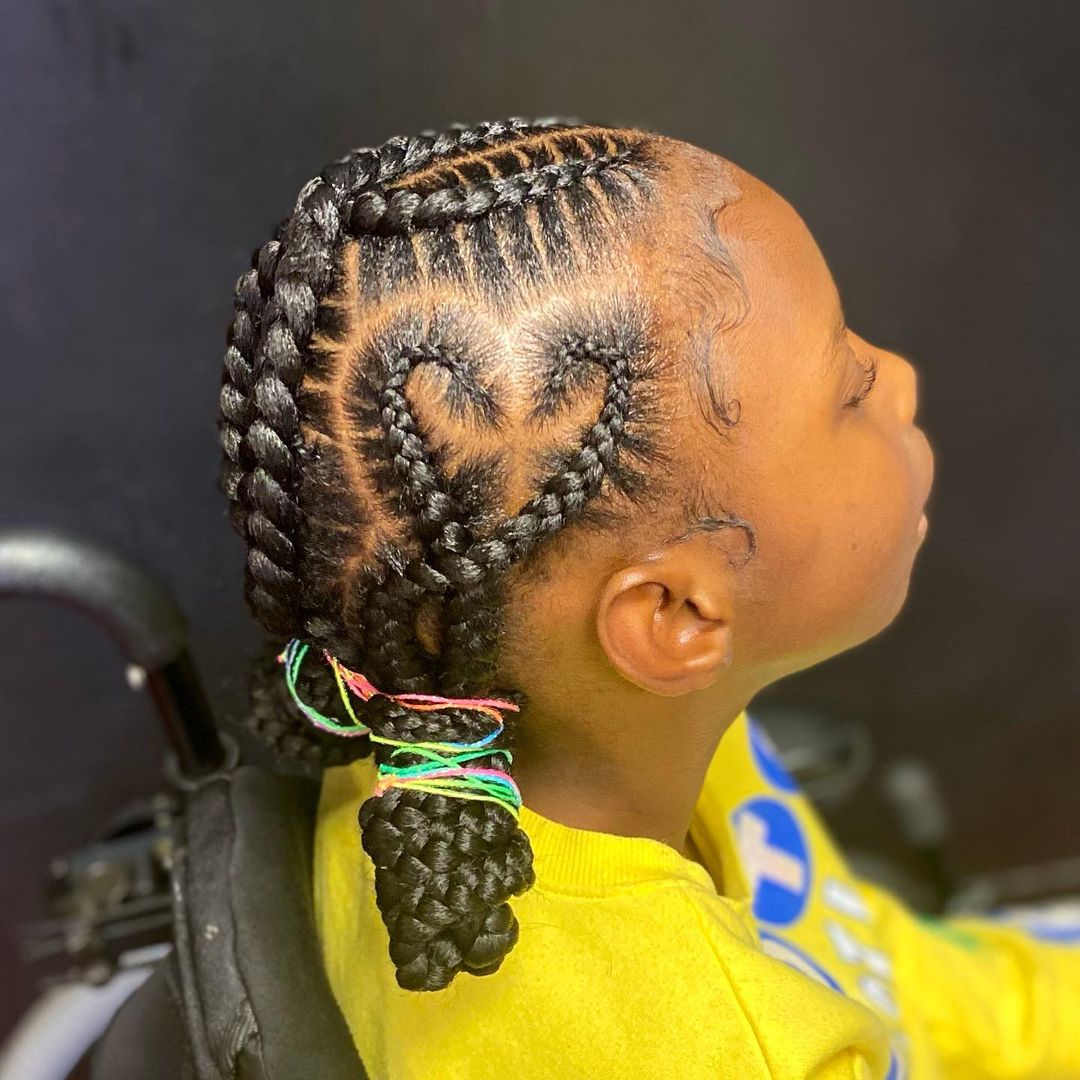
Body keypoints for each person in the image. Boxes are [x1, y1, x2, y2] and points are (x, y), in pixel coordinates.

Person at [220, 118, 1079, 1078]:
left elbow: (905, 977)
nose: (904, 382)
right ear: (674, 617)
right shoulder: (730, 1052)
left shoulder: (535, 731)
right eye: (850, 390)